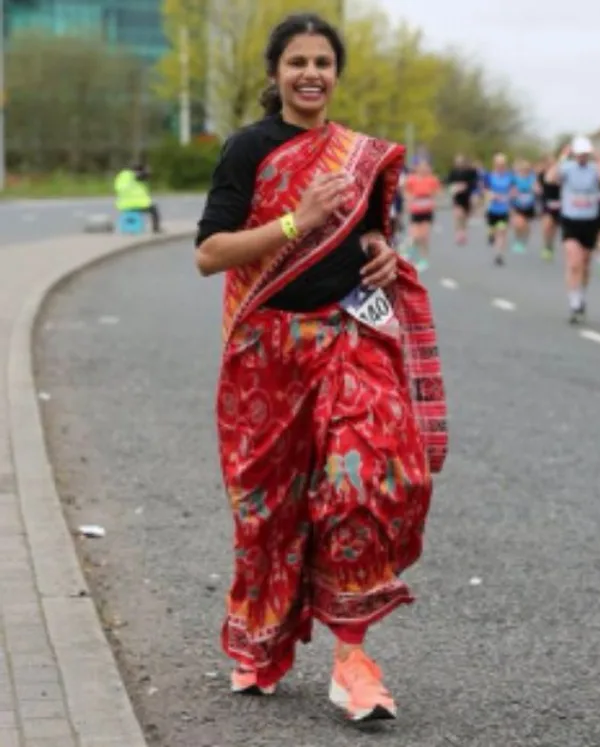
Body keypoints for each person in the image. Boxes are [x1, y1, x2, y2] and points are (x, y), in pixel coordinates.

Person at [192, 13, 448, 722]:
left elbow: (371, 236)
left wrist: (384, 255)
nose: (311, 74)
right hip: (267, 353)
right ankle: (261, 638)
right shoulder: (249, 148)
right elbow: (209, 252)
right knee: (270, 513)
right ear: (275, 75)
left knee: (365, 481)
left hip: (347, 338)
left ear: (336, 73)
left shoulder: (359, 155)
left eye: (322, 63)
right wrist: (293, 223)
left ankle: (352, 657)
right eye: (297, 62)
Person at [545, 137, 600, 324]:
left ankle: (580, 294)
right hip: (570, 220)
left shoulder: (594, 169)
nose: (582, 157)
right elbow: (549, 179)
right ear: (574, 153)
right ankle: (574, 303)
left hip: (590, 220)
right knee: (574, 262)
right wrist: (561, 158)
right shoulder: (567, 168)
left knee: (585, 263)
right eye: (579, 154)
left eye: (585, 154)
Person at [400, 159, 438, 272]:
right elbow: (405, 191)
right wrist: (408, 199)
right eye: (421, 167)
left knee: (424, 237)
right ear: (417, 168)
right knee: (415, 236)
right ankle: (409, 254)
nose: (423, 169)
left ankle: (424, 260)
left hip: (427, 210)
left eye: (425, 167)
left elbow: (436, 193)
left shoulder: (432, 179)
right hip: (416, 210)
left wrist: (431, 197)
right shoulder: (411, 179)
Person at [483, 153, 515, 265]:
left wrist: (510, 195)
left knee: (501, 232)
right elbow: (485, 190)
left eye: (502, 164)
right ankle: (490, 233)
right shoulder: (489, 176)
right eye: (498, 164)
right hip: (492, 209)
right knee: (493, 230)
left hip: (504, 209)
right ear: (494, 164)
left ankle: (498, 255)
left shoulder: (510, 177)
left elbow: (513, 190)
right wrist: (491, 195)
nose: (500, 166)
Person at [114, 162, 161, 233]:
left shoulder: (122, 175)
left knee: (131, 213)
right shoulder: (138, 175)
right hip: (140, 204)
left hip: (123, 205)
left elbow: (117, 188)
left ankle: (127, 227)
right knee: (154, 209)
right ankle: (156, 229)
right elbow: (144, 176)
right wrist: (147, 171)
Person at [446, 154, 480, 246]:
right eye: (457, 162)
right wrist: (454, 187)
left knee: (465, 217)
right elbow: (448, 181)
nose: (459, 164)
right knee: (458, 215)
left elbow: (474, 182)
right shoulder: (453, 172)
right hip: (457, 197)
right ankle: (458, 233)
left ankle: (463, 232)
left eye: (461, 162)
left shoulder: (471, 171)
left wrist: (465, 186)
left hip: (467, 196)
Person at [537, 155, 562, 261]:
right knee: (547, 226)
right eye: (548, 164)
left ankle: (550, 245)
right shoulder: (542, 175)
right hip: (547, 203)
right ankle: (546, 245)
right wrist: (537, 190)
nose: (550, 165)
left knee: (554, 227)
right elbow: (538, 186)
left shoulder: (561, 175)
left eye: (552, 163)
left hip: (559, 204)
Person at [511, 158, 539, 255]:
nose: (524, 171)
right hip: (518, 204)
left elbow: (537, 188)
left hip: (529, 205)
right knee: (518, 223)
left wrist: (536, 189)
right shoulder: (515, 178)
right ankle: (518, 240)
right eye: (522, 169)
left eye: (526, 169)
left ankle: (524, 240)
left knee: (526, 226)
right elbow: (511, 188)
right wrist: (513, 192)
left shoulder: (532, 178)